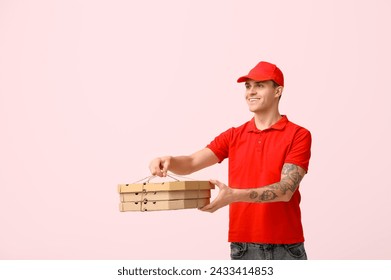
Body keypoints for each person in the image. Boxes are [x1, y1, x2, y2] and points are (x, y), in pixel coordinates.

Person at [149, 61, 312, 260]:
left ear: (278, 91)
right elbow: (191, 163)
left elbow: (286, 190)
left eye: (259, 85)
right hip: (243, 246)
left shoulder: (298, 135)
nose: (250, 92)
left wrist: (233, 195)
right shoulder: (234, 135)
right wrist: (169, 160)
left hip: (286, 247)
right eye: (248, 86)